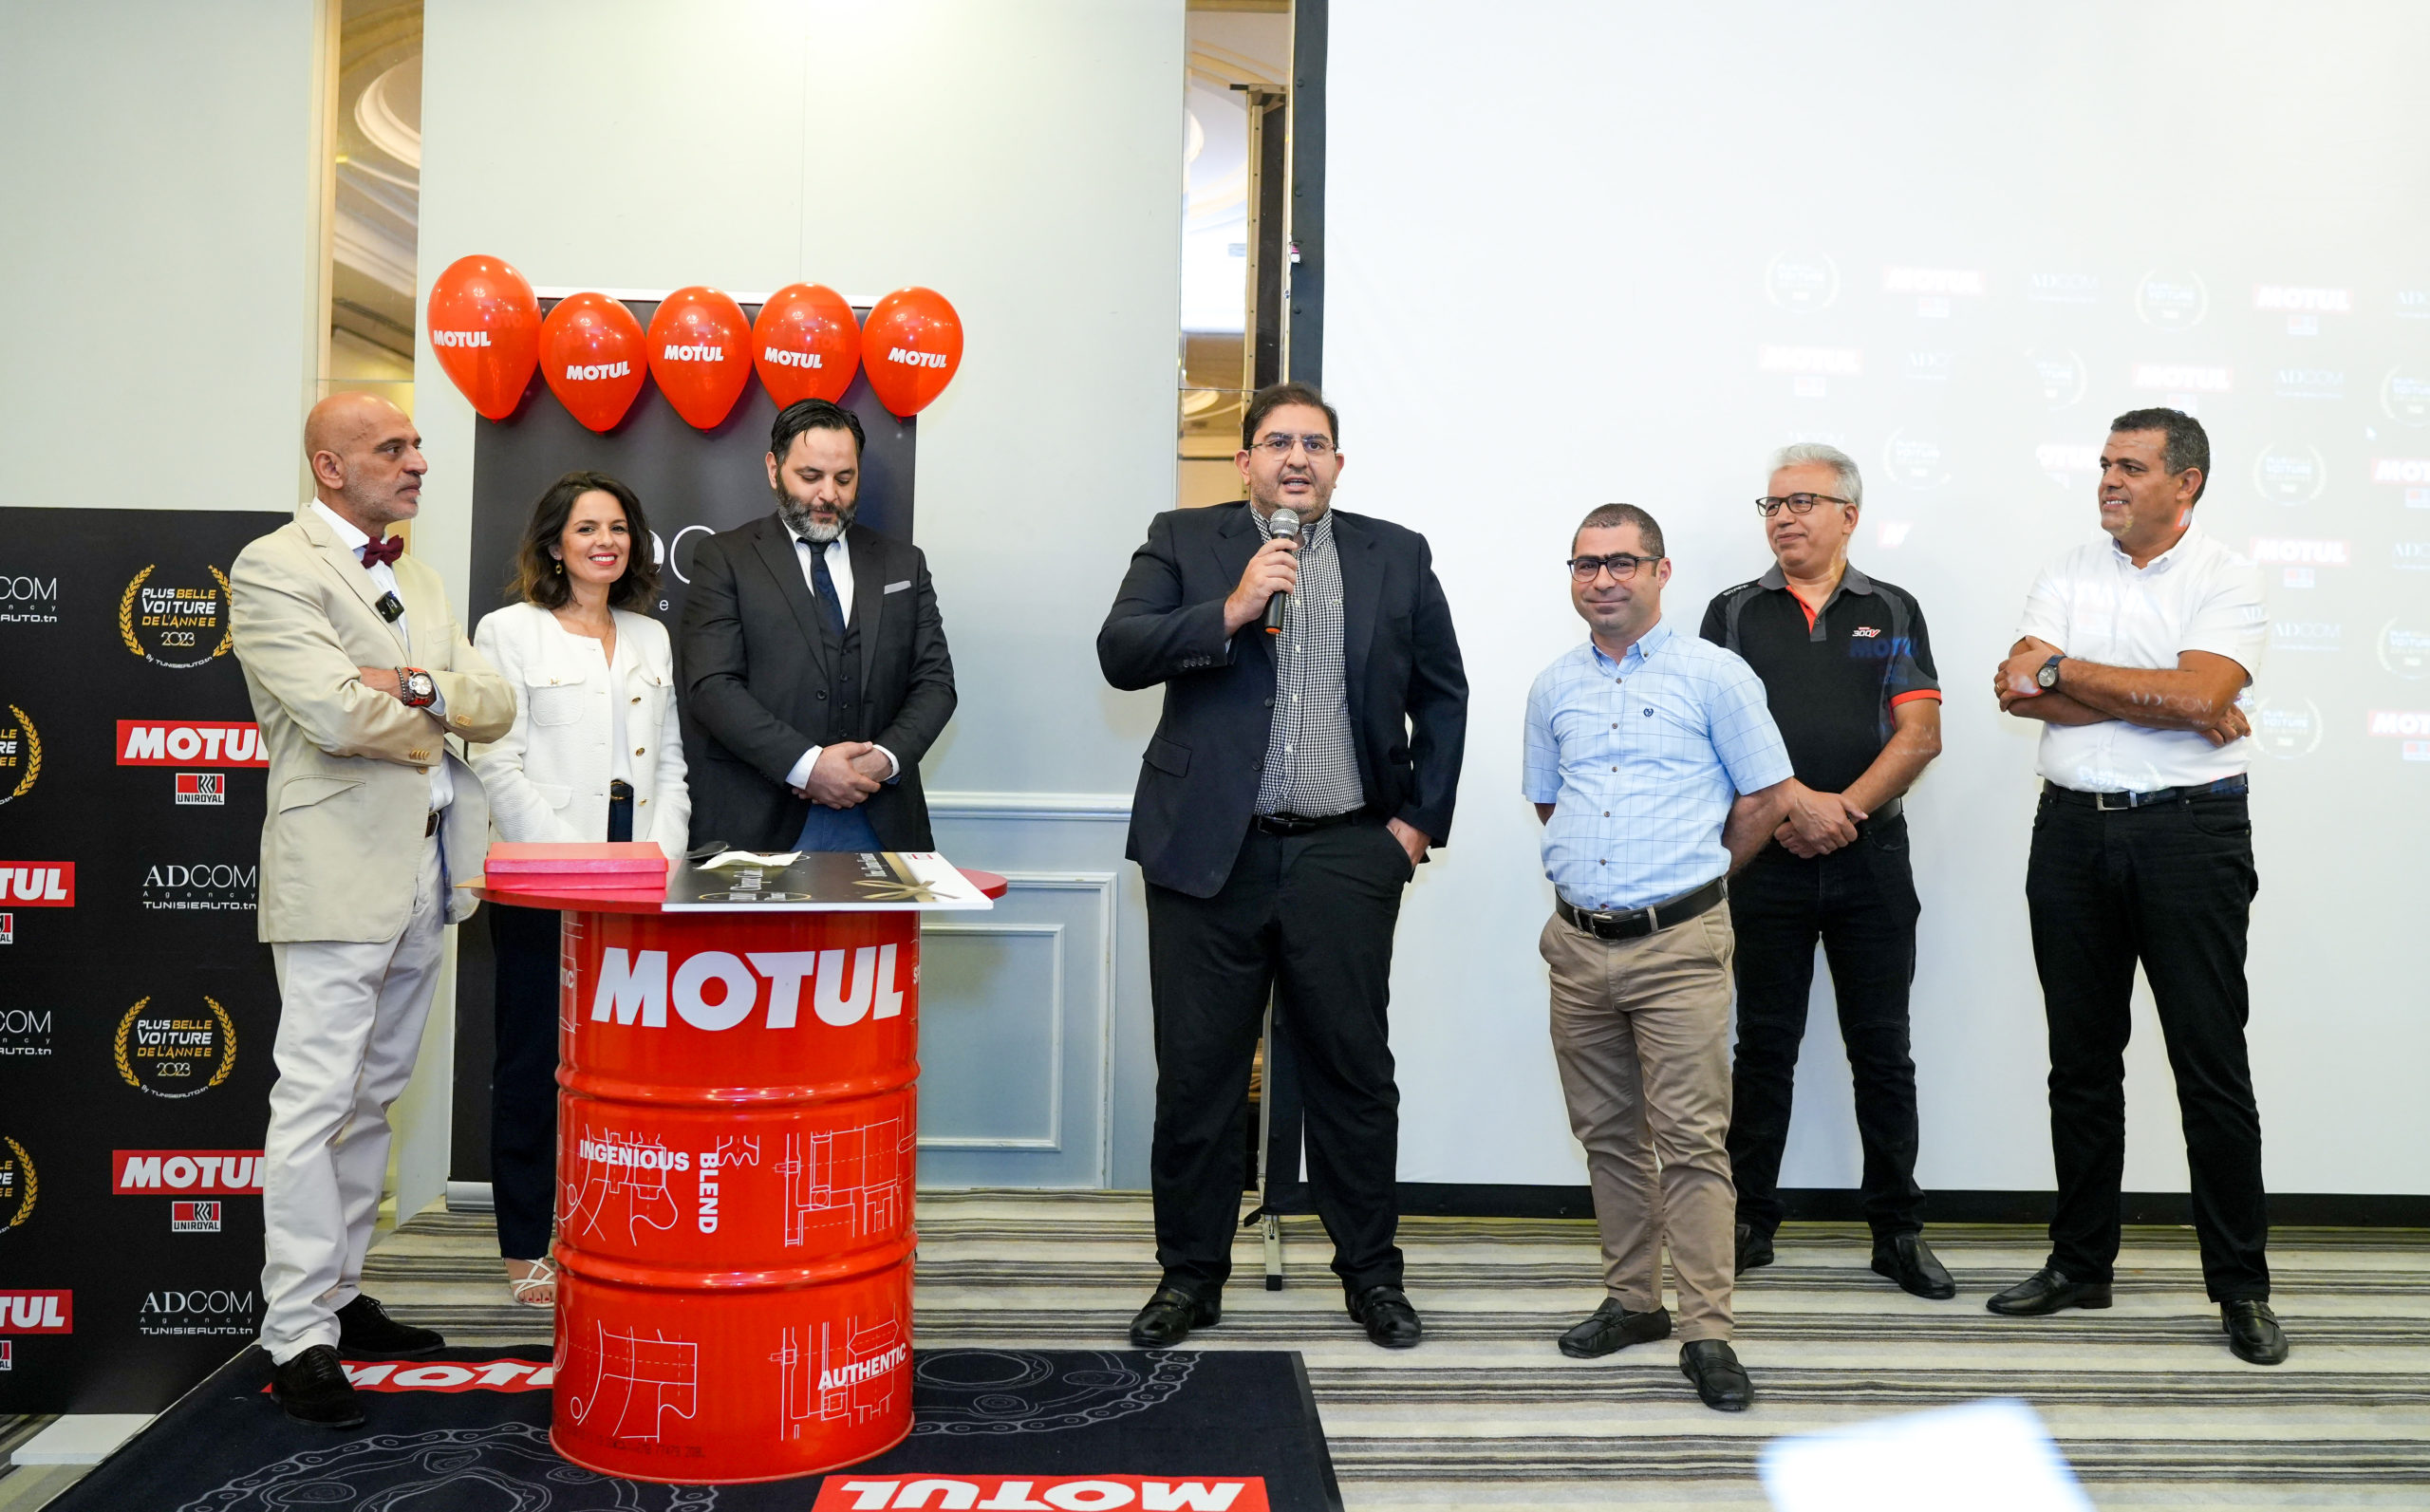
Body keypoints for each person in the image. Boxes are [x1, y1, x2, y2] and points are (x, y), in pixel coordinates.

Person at [1099, 381, 1467, 1352]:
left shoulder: (1396, 554)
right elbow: (1121, 651)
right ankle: (1189, 1277)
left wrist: (1413, 827)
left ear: (1338, 464)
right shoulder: (1184, 540)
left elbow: (1443, 694)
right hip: (1205, 854)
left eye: (1315, 443)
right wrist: (1231, 608)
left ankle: (1372, 1276)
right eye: (1276, 442)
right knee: (1198, 1078)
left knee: (1352, 1074)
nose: (1296, 458)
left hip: (1345, 850)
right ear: (1244, 462)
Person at [229, 392, 515, 1427]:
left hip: (430, 868)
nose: (417, 461)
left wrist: (412, 685)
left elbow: (496, 703)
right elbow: (335, 714)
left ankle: (341, 1297)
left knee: (374, 1097)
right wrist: (435, 698)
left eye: (418, 444)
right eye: (392, 448)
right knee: (316, 1102)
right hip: (338, 869)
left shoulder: (421, 576)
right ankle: (296, 1330)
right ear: (330, 466)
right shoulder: (274, 566)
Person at [1524, 503, 1848, 1412]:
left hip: (1680, 945)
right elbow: (1551, 803)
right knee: (1607, 1135)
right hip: (1578, 945)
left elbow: (1768, 797)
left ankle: (1708, 1329)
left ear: (1660, 572)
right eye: (1586, 563)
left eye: (1622, 561)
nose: (1603, 579)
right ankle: (1634, 1301)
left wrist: (1691, 875)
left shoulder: (1717, 675)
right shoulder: (1552, 686)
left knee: (1694, 1143)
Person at [1989, 408, 2285, 1366]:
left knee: (2210, 1065)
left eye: (2132, 466)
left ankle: (2240, 1288)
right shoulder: (2069, 568)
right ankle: (2081, 1265)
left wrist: (2066, 671)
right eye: (2105, 464)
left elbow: (2200, 695)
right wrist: (2168, 697)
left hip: (2189, 835)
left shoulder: (2227, 576)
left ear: (2185, 482)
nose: (2109, 480)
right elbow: (2013, 688)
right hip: (2070, 832)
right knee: (2079, 1062)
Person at [1699, 443, 1953, 1299]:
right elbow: (1713, 733)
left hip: (1871, 860)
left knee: (1883, 1050)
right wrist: (1794, 806)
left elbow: (1920, 734)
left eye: (1802, 502)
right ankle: (1748, 1221)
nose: (1783, 518)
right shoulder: (1733, 612)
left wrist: (1840, 811)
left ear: (1849, 514)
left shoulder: (1892, 606)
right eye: (1772, 505)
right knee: (1762, 1047)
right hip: (1764, 861)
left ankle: (1897, 1231)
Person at [470, 470, 690, 1308]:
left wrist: (659, 857)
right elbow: (497, 761)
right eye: (587, 527)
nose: (606, 541)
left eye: (619, 527)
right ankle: (526, 1245)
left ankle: (620, 1224)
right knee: (533, 1063)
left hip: (638, 890)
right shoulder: (509, 632)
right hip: (541, 887)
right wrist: (570, 866)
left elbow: (671, 763)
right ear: (555, 543)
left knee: (632, 1072)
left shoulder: (650, 636)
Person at [680, 398, 955, 852]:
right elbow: (713, 686)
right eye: (810, 477)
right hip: (760, 821)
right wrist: (808, 767)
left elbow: (935, 684)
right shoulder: (725, 558)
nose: (829, 494)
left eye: (844, 478)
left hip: (882, 818)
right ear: (774, 469)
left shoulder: (903, 563)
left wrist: (880, 762)